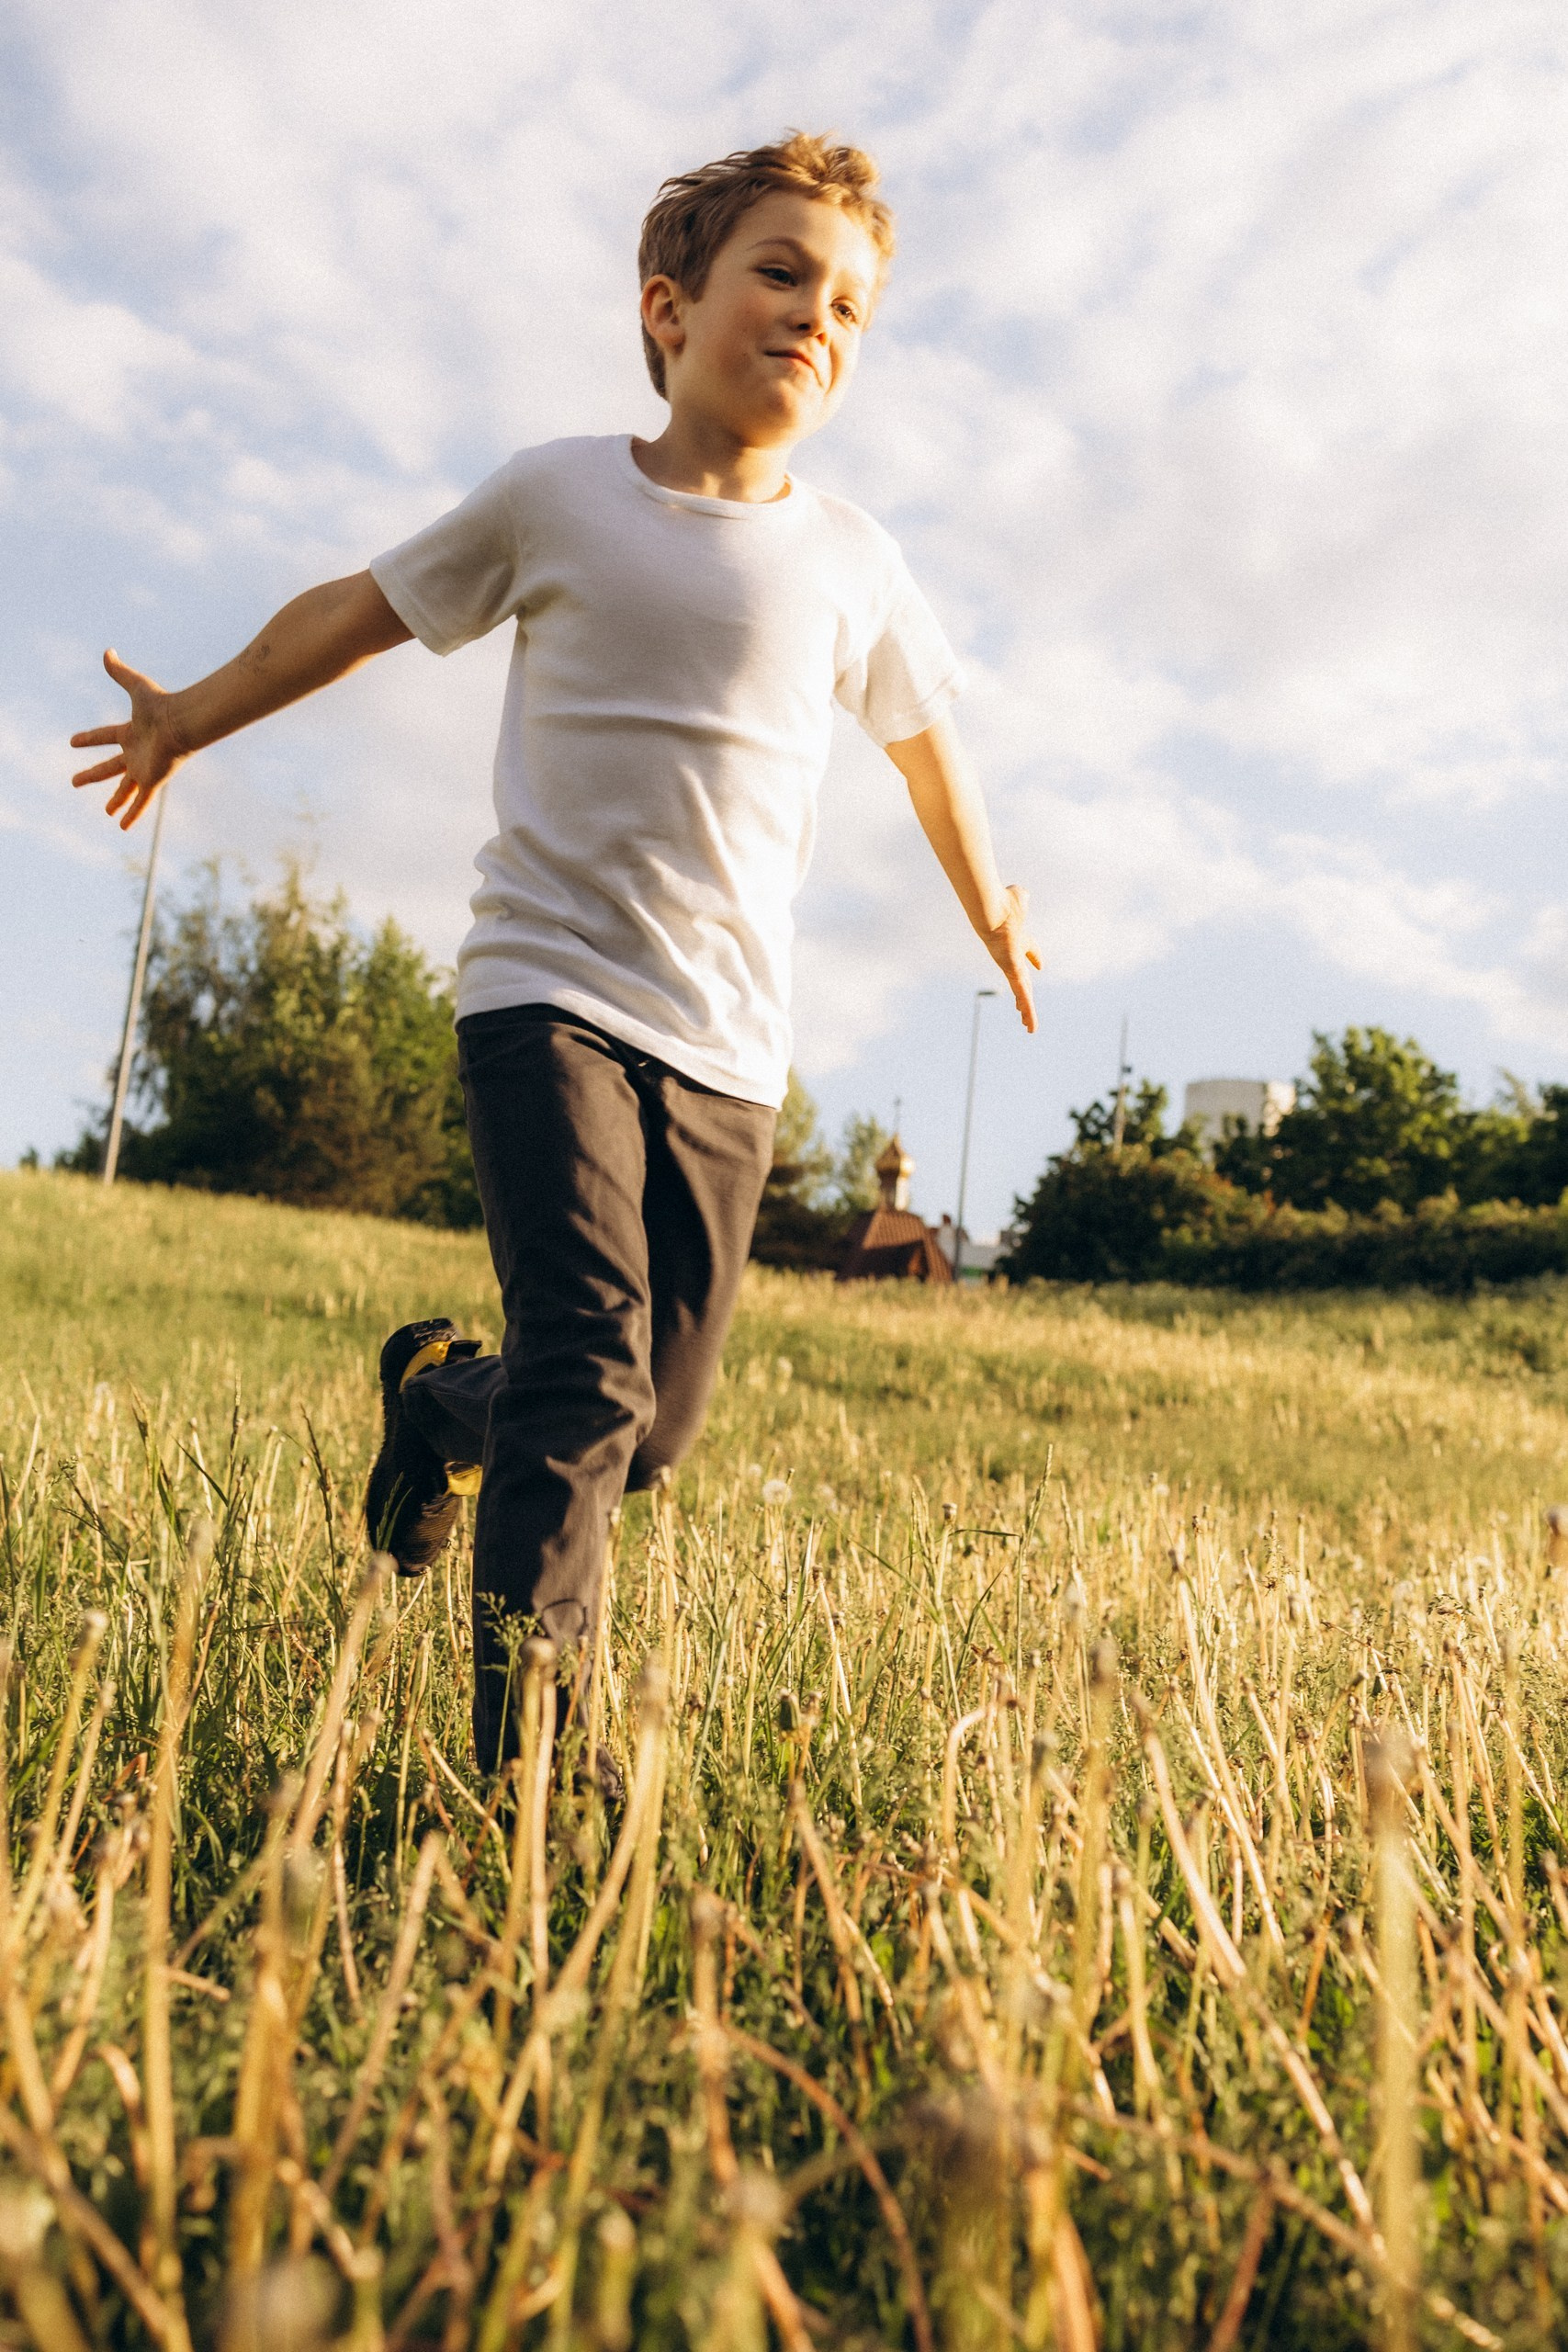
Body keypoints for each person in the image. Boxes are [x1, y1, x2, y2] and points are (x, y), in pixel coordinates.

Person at [70, 133, 1041, 1776]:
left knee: (643, 1434)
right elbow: (360, 610)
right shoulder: (559, 494)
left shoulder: (855, 562)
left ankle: (440, 1398)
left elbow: (929, 744)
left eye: (854, 304)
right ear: (670, 309)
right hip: (549, 996)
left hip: (730, 1048)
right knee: (588, 1370)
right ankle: (537, 1778)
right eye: (782, 273)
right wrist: (190, 714)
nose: (819, 314)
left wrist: (993, 901)